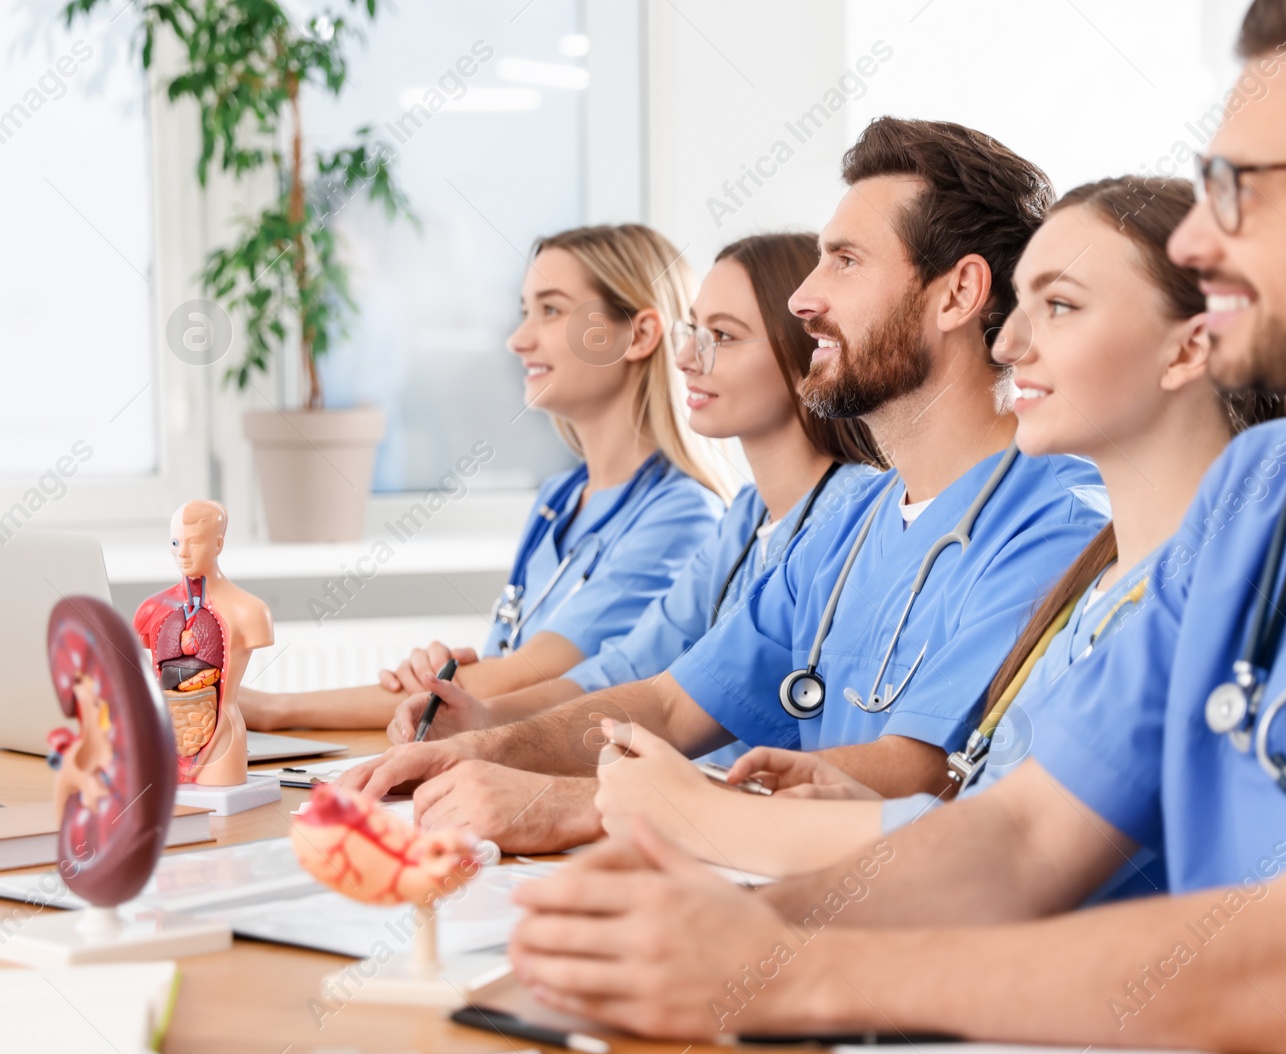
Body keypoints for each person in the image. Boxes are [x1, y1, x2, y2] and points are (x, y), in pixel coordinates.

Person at [502, 2, 1286, 1054]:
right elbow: (1024, 837)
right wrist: (701, 936)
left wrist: (781, 971)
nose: (1202, 240)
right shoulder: (1261, 489)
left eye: (1243, 188)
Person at [342, 118, 1112, 856]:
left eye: (845, 261)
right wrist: (479, 747)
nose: (805, 297)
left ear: (956, 294)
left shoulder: (1054, 524)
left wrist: (572, 805)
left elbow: (922, 771)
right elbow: (671, 703)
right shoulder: (853, 522)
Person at [586, 175, 1286, 878]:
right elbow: (998, 809)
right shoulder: (1098, 587)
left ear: (1190, 350)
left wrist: (697, 814)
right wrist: (846, 806)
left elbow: (1017, 856)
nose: (1009, 342)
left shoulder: (1205, 588)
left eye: (1062, 306)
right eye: (1023, 308)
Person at [381, 233, 884, 756]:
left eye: (724, 336)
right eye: (694, 330)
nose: (687, 357)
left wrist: (499, 740)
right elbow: (627, 667)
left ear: (815, 351)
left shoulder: (855, 519)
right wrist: (484, 718)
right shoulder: (745, 521)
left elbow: (685, 708)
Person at [241, 224, 727, 731]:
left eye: (552, 310)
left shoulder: (682, 516)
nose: (518, 340)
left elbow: (515, 680)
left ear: (640, 335)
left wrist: (275, 710)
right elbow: (493, 675)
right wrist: (442, 674)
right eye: (524, 312)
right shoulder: (559, 500)